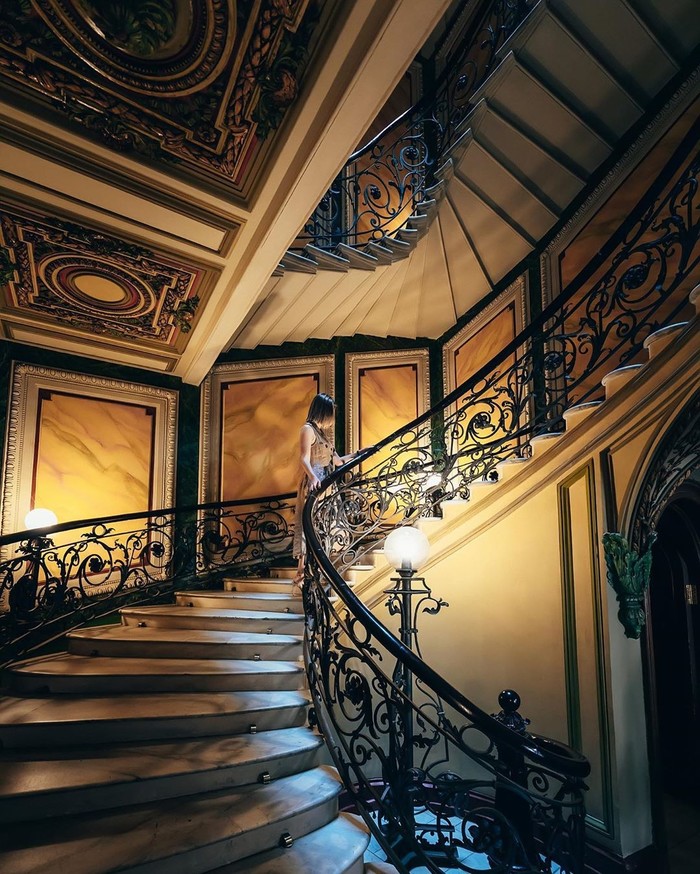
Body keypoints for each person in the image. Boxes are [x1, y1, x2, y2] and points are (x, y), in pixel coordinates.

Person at [292, 393, 358, 590]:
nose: (332, 419)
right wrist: (313, 477)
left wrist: (359, 453)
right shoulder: (307, 430)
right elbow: (303, 458)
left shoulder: (322, 434)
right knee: (309, 526)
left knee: (327, 527)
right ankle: (301, 573)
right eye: (331, 414)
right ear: (323, 412)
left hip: (327, 486)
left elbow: (337, 461)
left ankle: (317, 569)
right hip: (315, 484)